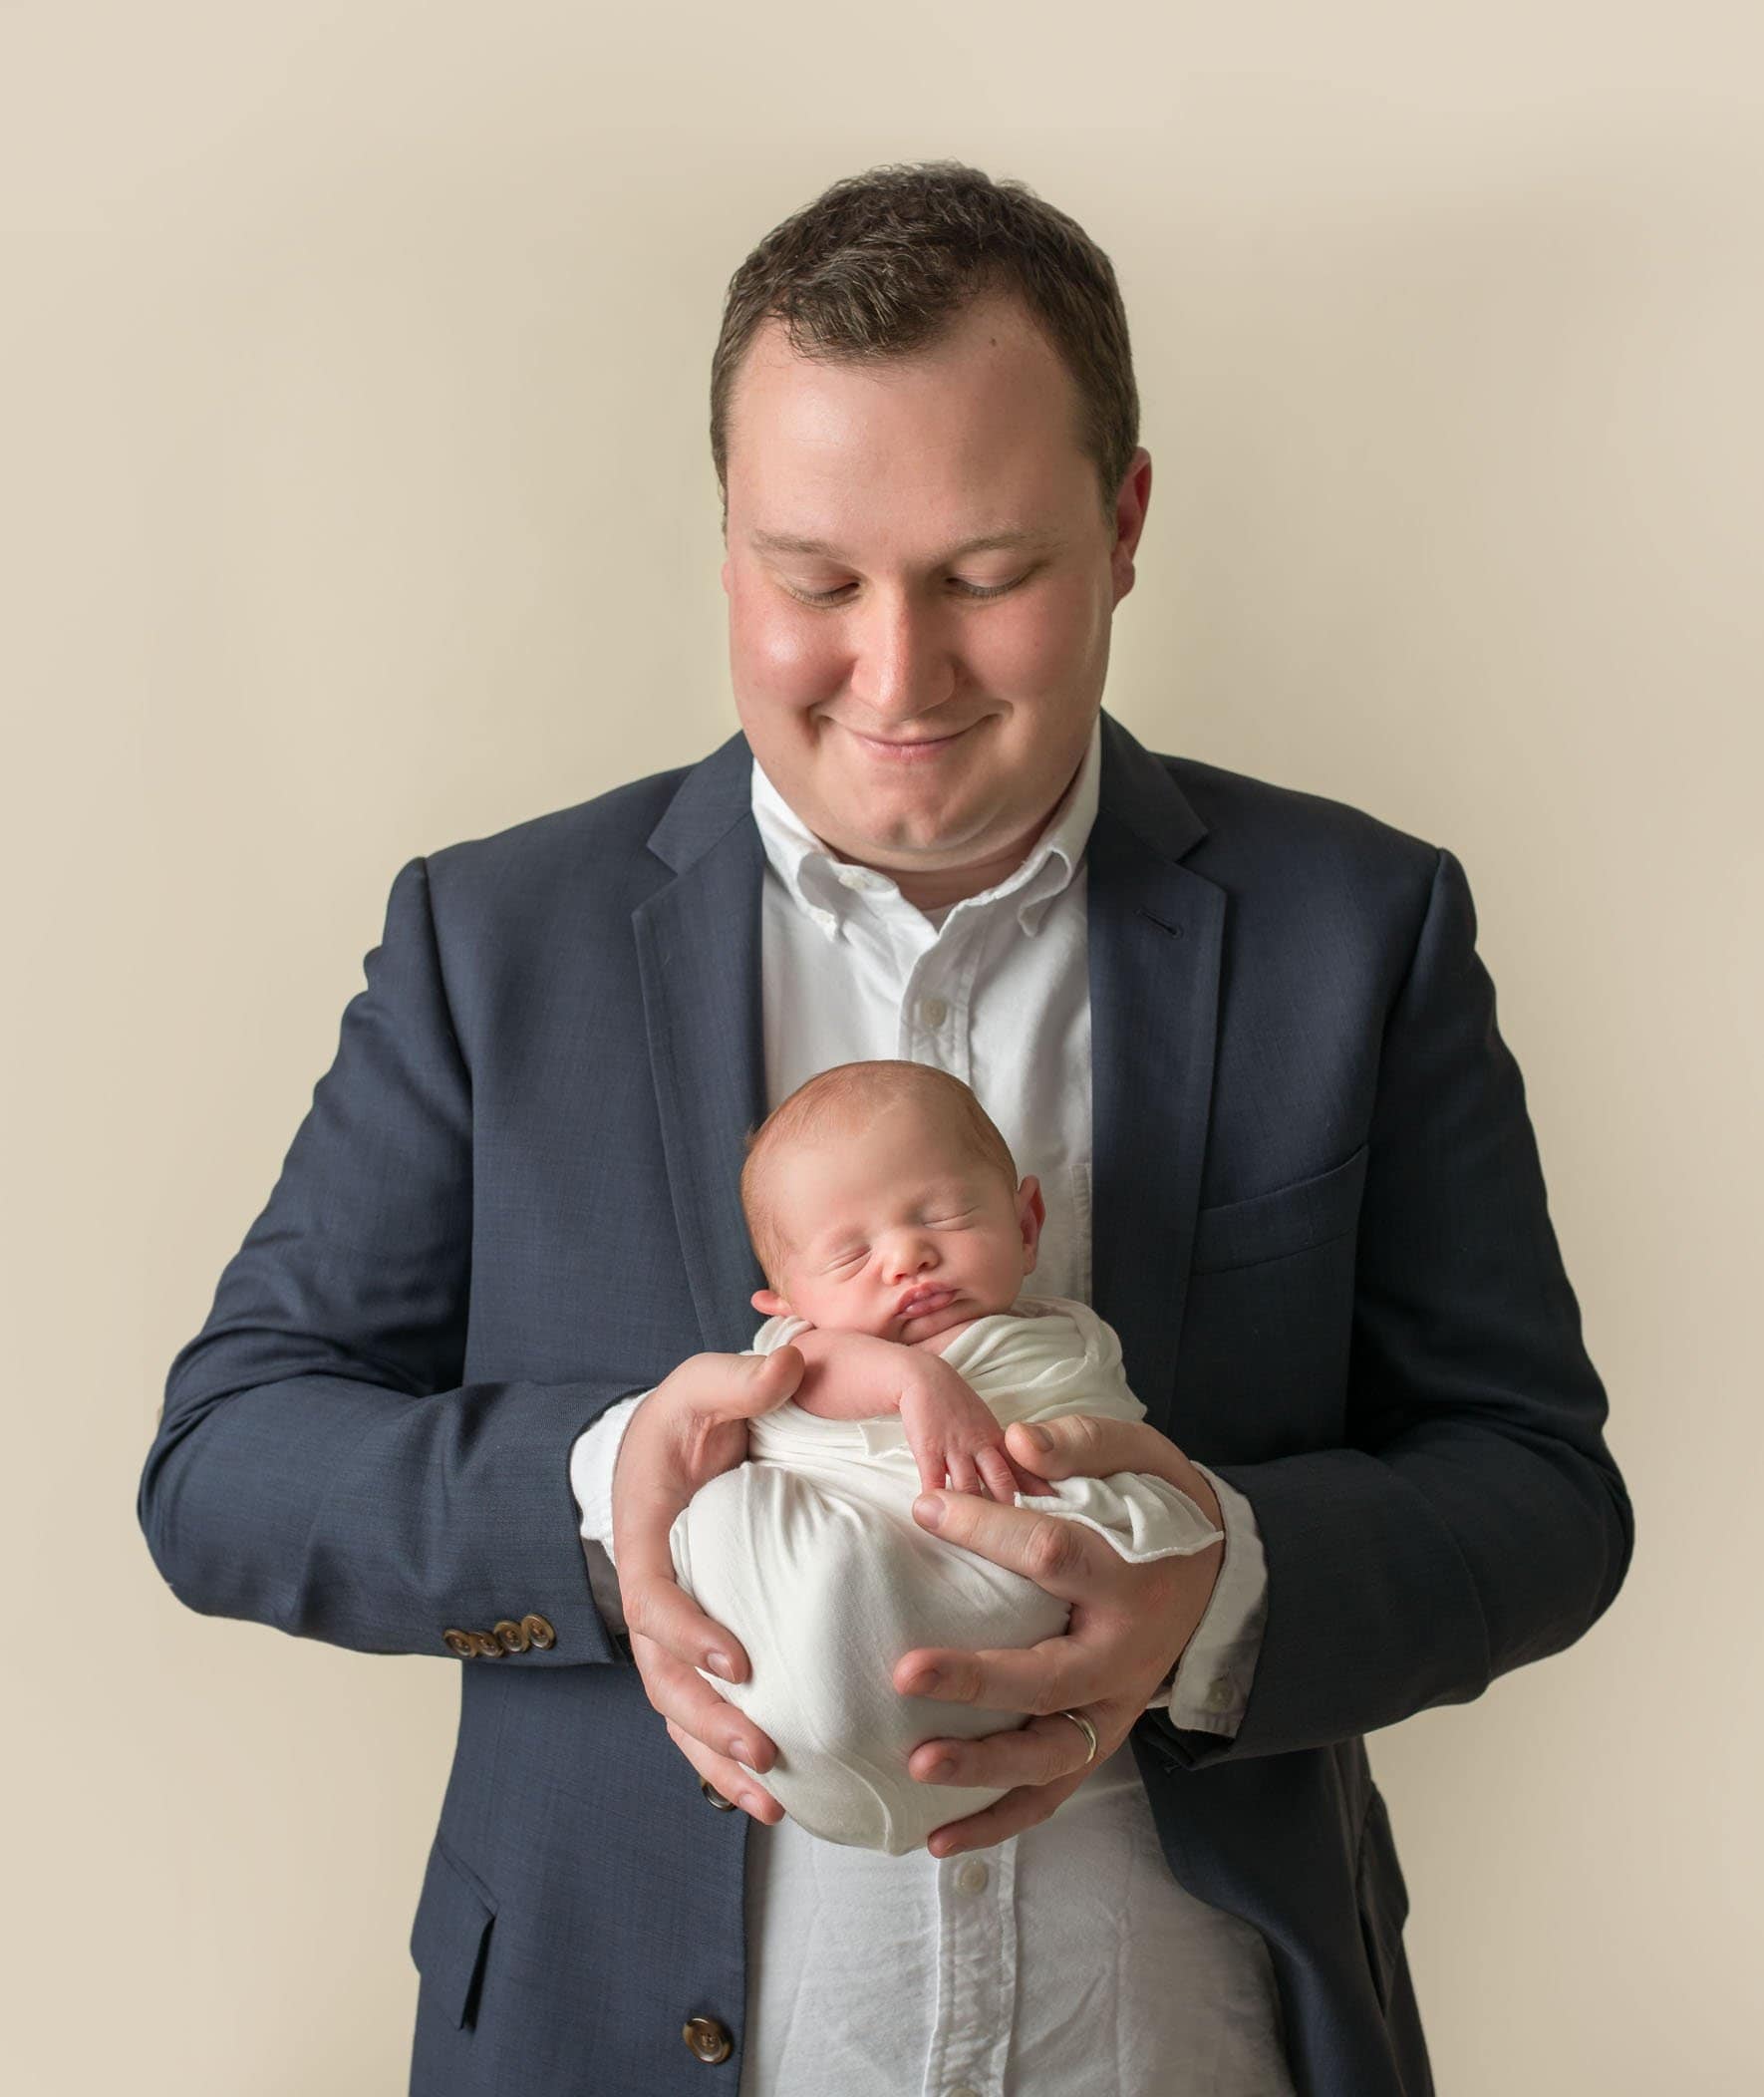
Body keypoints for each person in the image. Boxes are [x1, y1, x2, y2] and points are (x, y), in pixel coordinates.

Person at [138, 159, 1632, 2095]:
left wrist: (1221, 1587)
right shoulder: (493, 942)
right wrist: (609, 1499)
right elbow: (230, 1459)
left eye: (987, 576)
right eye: (815, 578)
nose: (897, 674)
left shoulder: (1363, 924)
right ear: (727, 546)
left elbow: (1540, 1491)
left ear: (1126, 522)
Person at [653, 1057, 1229, 1856]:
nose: (906, 1258)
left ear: (1027, 1226)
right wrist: (906, 1378)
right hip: (813, 1626)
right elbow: (789, 1389)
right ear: (786, 1306)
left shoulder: (1067, 1341)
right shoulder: (807, 1352)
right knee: (731, 1517)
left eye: (947, 1216)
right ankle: (838, 1676)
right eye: (850, 1257)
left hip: (1014, 1657)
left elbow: (1115, 1446)